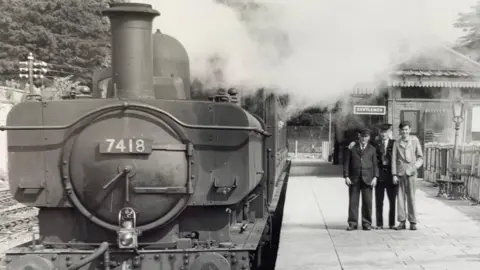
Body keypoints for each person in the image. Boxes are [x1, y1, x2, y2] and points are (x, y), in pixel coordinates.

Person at [343, 128, 378, 231]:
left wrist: (375, 177)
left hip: (368, 179)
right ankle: (352, 223)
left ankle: (366, 223)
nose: (363, 139)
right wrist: (346, 176)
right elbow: (346, 162)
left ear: (369, 138)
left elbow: (375, 164)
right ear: (359, 136)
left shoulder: (372, 149)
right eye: (362, 136)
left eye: (366, 137)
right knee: (353, 202)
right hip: (354, 178)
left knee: (367, 202)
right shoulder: (352, 147)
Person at [392, 121, 423, 231]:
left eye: (406, 129)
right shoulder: (396, 143)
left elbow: (420, 158)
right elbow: (394, 160)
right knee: (400, 198)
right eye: (402, 130)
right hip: (400, 173)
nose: (404, 132)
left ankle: (413, 221)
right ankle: (402, 221)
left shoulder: (415, 141)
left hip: (411, 173)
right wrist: (394, 174)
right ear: (400, 131)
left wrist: (415, 167)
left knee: (411, 197)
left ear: (409, 130)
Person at [374, 123, 397, 230]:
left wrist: (395, 174)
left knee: (392, 201)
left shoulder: (394, 143)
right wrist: (353, 143)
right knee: (379, 200)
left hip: (391, 174)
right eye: (382, 132)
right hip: (379, 174)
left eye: (386, 132)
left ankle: (392, 223)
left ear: (389, 133)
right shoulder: (375, 143)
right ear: (379, 133)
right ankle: (379, 224)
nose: (384, 134)